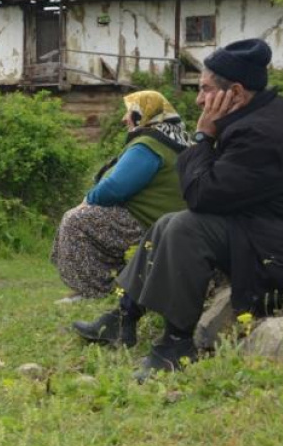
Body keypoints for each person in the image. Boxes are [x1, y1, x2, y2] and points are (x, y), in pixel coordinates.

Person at [72, 39, 283, 379]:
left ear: (234, 92)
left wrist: (203, 136)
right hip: (275, 226)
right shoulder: (258, 117)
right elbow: (214, 191)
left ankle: (177, 344)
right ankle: (124, 317)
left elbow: (201, 196)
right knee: (167, 223)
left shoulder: (262, 132)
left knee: (185, 228)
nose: (199, 99)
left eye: (205, 89)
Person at [51, 90, 191, 301]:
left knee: (75, 220)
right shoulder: (175, 141)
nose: (124, 118)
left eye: (130, 112)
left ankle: (96, 290)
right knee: (88, 219)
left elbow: (115, 188)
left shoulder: (148, 146)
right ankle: (115, 283)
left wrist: (88, 200)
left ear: (143, 115)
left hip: (149, 224)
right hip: (168, 223)